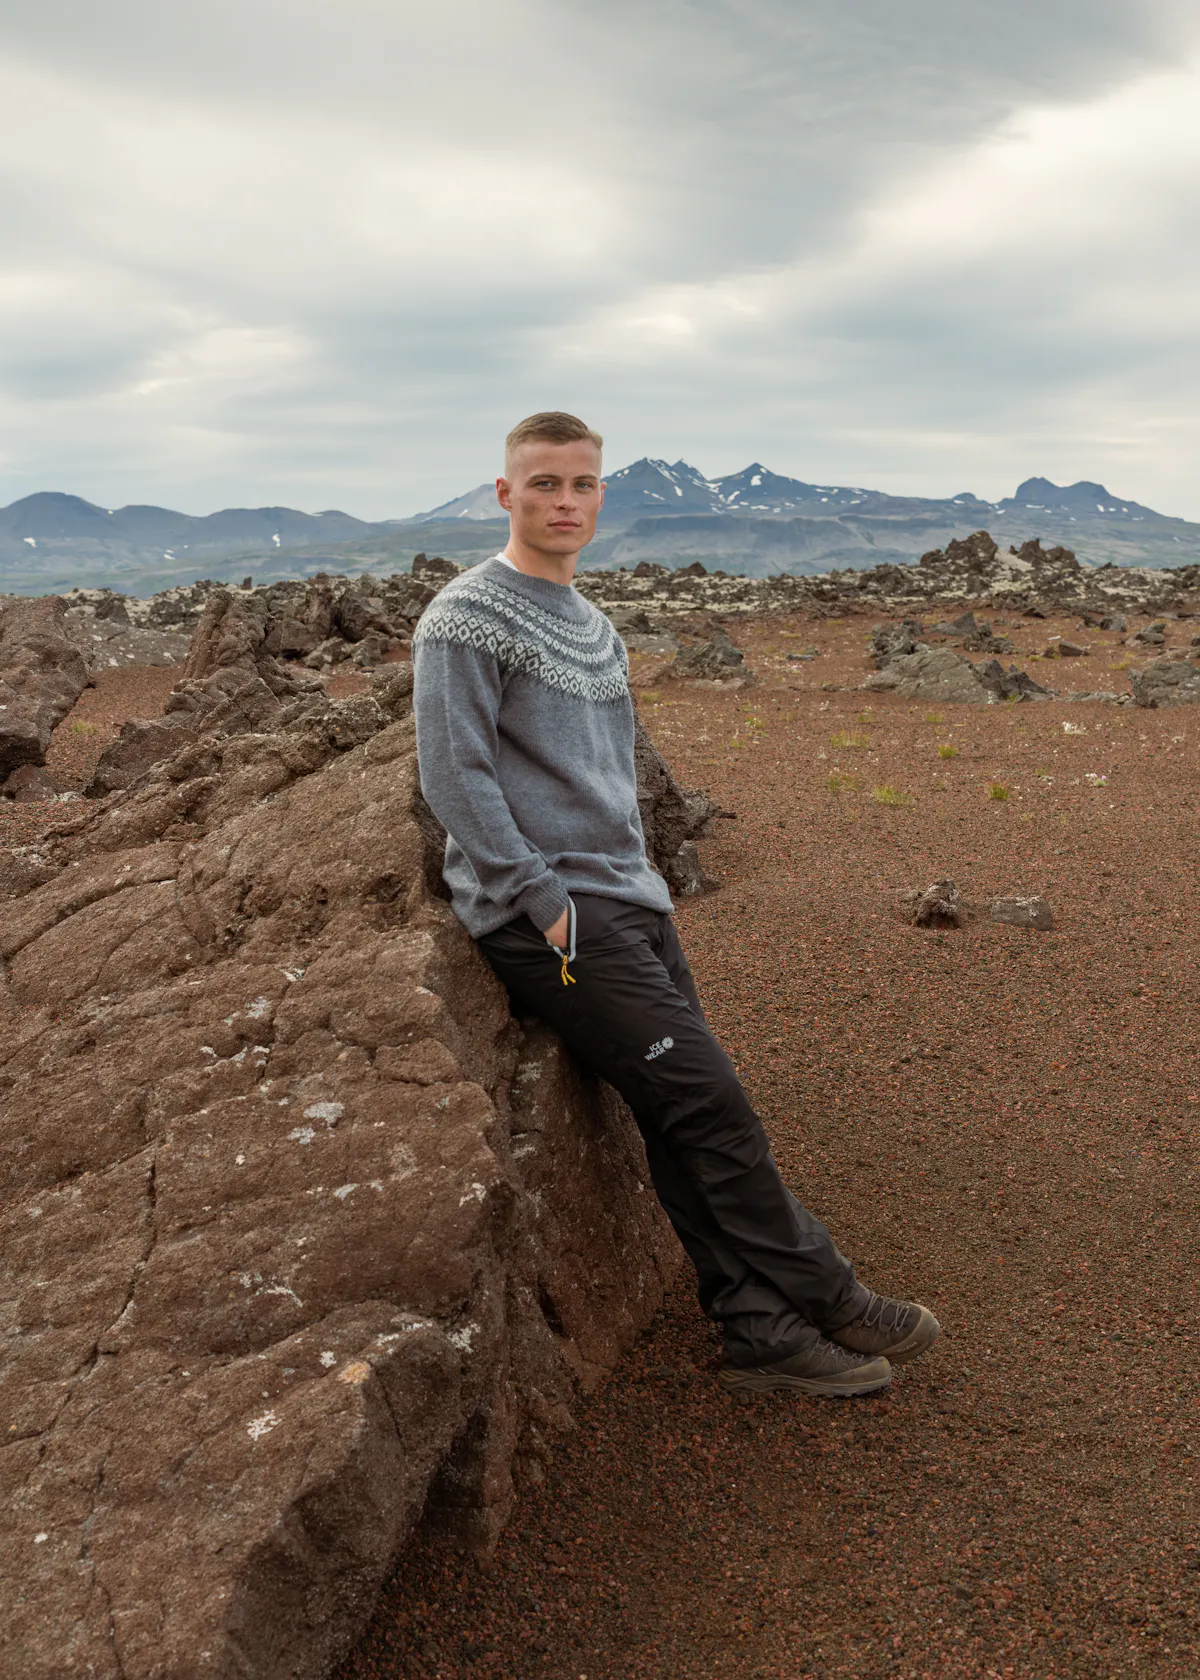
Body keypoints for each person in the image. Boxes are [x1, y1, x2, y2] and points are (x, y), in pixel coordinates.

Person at [411, 411, 939, 1397]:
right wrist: (538, 895)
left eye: (582, 485)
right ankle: (830, 1293)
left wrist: (641, 880)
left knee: (680, 1114)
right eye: (544, 485)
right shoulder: (464, 617)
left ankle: (760, 1331)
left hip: (627, 901)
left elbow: (610, 773)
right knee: (712, 1103)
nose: (565, 502)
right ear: (505, 495)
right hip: (554, 917)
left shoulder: (594, 626)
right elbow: (455, 771)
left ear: (601, 495)